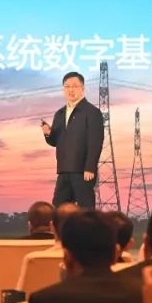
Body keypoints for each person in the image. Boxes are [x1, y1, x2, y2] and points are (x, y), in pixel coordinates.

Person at [41, 71, 104, 209]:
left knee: (85, 210)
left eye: (75, 86)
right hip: (63, 170)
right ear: (63, 89)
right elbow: (55, 141)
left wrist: (90, 167)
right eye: (67, 86)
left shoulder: (92, 112)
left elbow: (95, 142)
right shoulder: (59, 114)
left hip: (83, 171)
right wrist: (48, 134)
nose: (71, 90)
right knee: (59, 209)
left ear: (83, 88)